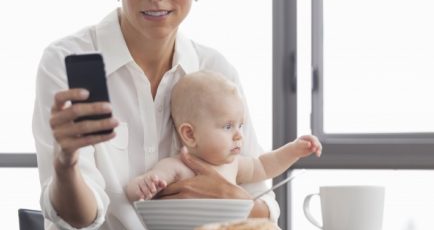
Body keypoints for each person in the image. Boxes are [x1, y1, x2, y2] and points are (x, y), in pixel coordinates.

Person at [32, 0, 280, 230]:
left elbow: (263, 207)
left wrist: (229, 198)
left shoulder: (215, 70)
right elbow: (80, 221)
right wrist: (65, 163)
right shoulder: (64, 61)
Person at [125, 71, 322, 201]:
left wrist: (294, 150)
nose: (238, 135)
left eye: (241, 125)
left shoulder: (233, 165)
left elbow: (265, 166)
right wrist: (144, 185)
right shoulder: (177, 166)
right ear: (190, 134)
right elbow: (134, 190)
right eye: (228, 126)